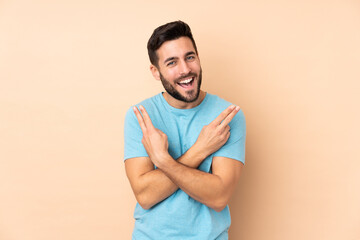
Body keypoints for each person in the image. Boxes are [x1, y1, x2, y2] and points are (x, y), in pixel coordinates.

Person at [124, 20, 246, 240]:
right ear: (156, 71)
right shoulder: (141, 116)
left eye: (190, 57)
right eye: (171, 62)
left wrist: (163, 161)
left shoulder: (227, 116)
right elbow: (145, 195)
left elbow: (219, 196)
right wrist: (200, 150)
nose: (185, 69)